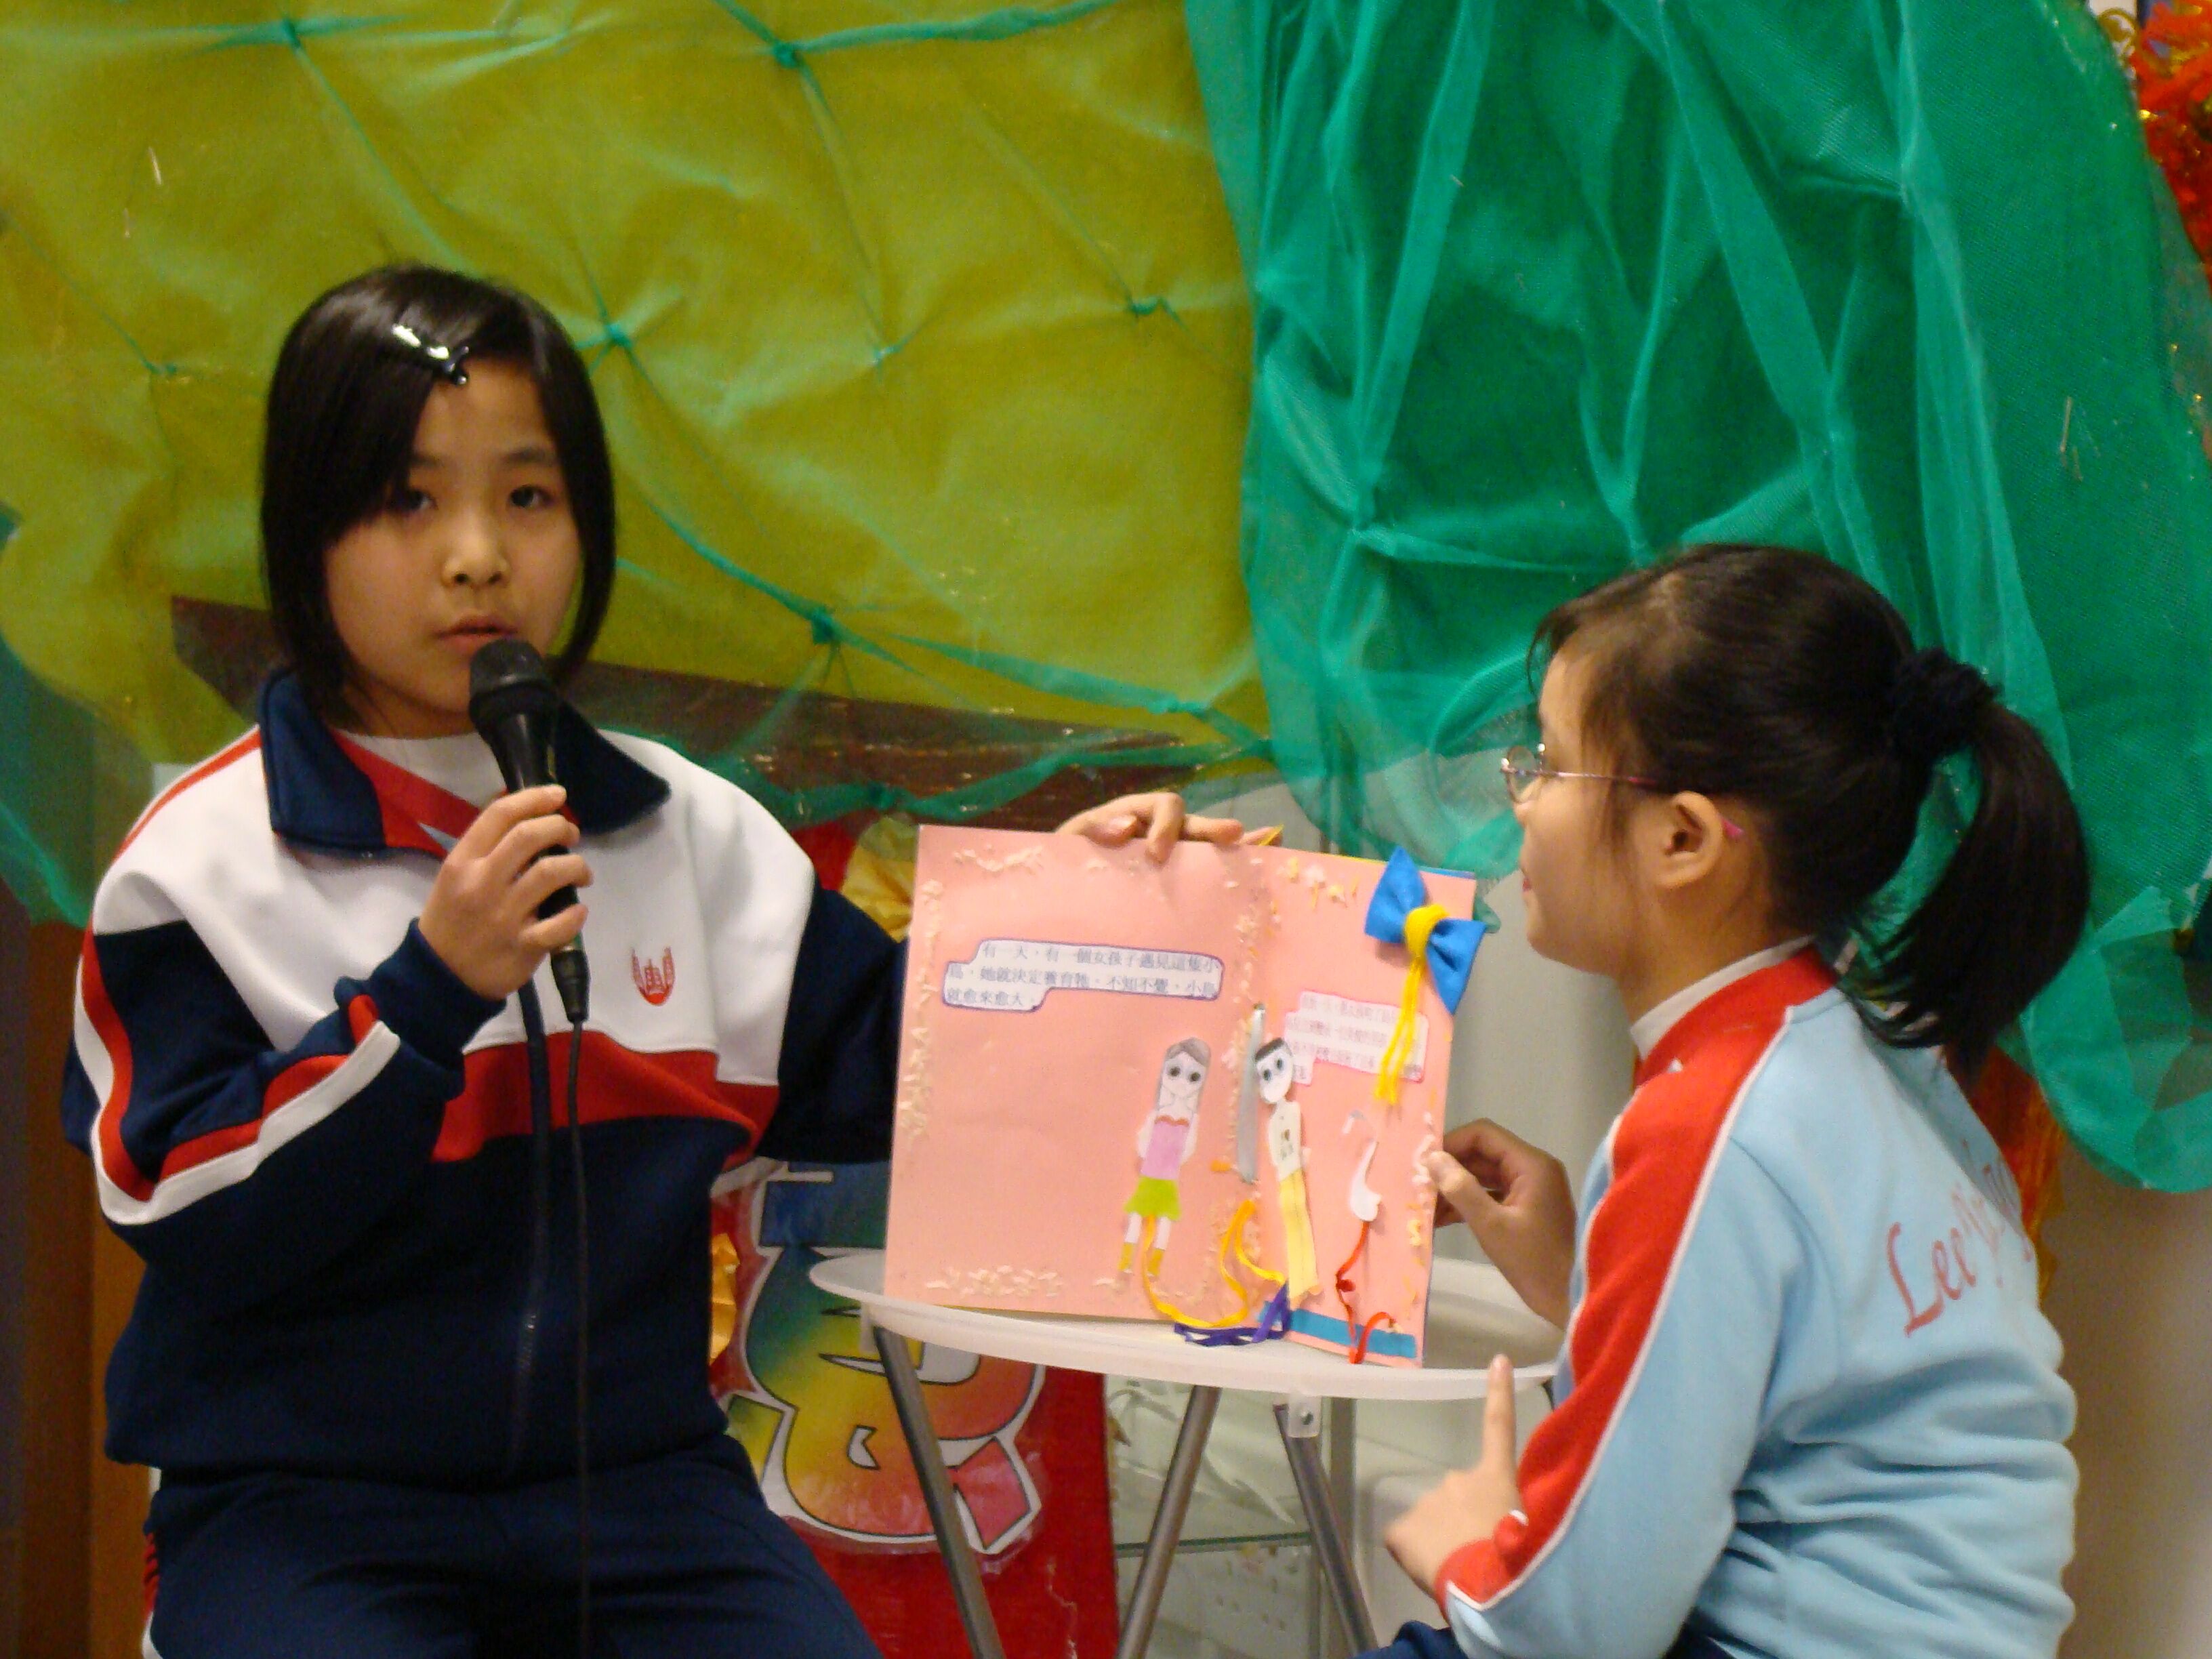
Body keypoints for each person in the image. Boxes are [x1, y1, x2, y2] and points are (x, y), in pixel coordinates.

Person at [60, 263, 1240, 1659]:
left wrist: (1085, 922)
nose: (477, 557)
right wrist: (424, 999)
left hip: (637, 1495)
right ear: (308, 530)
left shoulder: (691, 833)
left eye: (529, 497)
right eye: (408, 501)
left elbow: (916, 1071)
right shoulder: (199, 867)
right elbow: (178, 1205)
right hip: (303, 1512)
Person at [1376, 545, 2088, 1659]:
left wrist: (1470, 1550)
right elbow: (1809, 1391)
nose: (1522, 800)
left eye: (1551, 766)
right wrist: (1580, 1274)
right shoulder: (1867, 1053)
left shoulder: (1707, 1127)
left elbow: (1574, 1629)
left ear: (1684, 840)